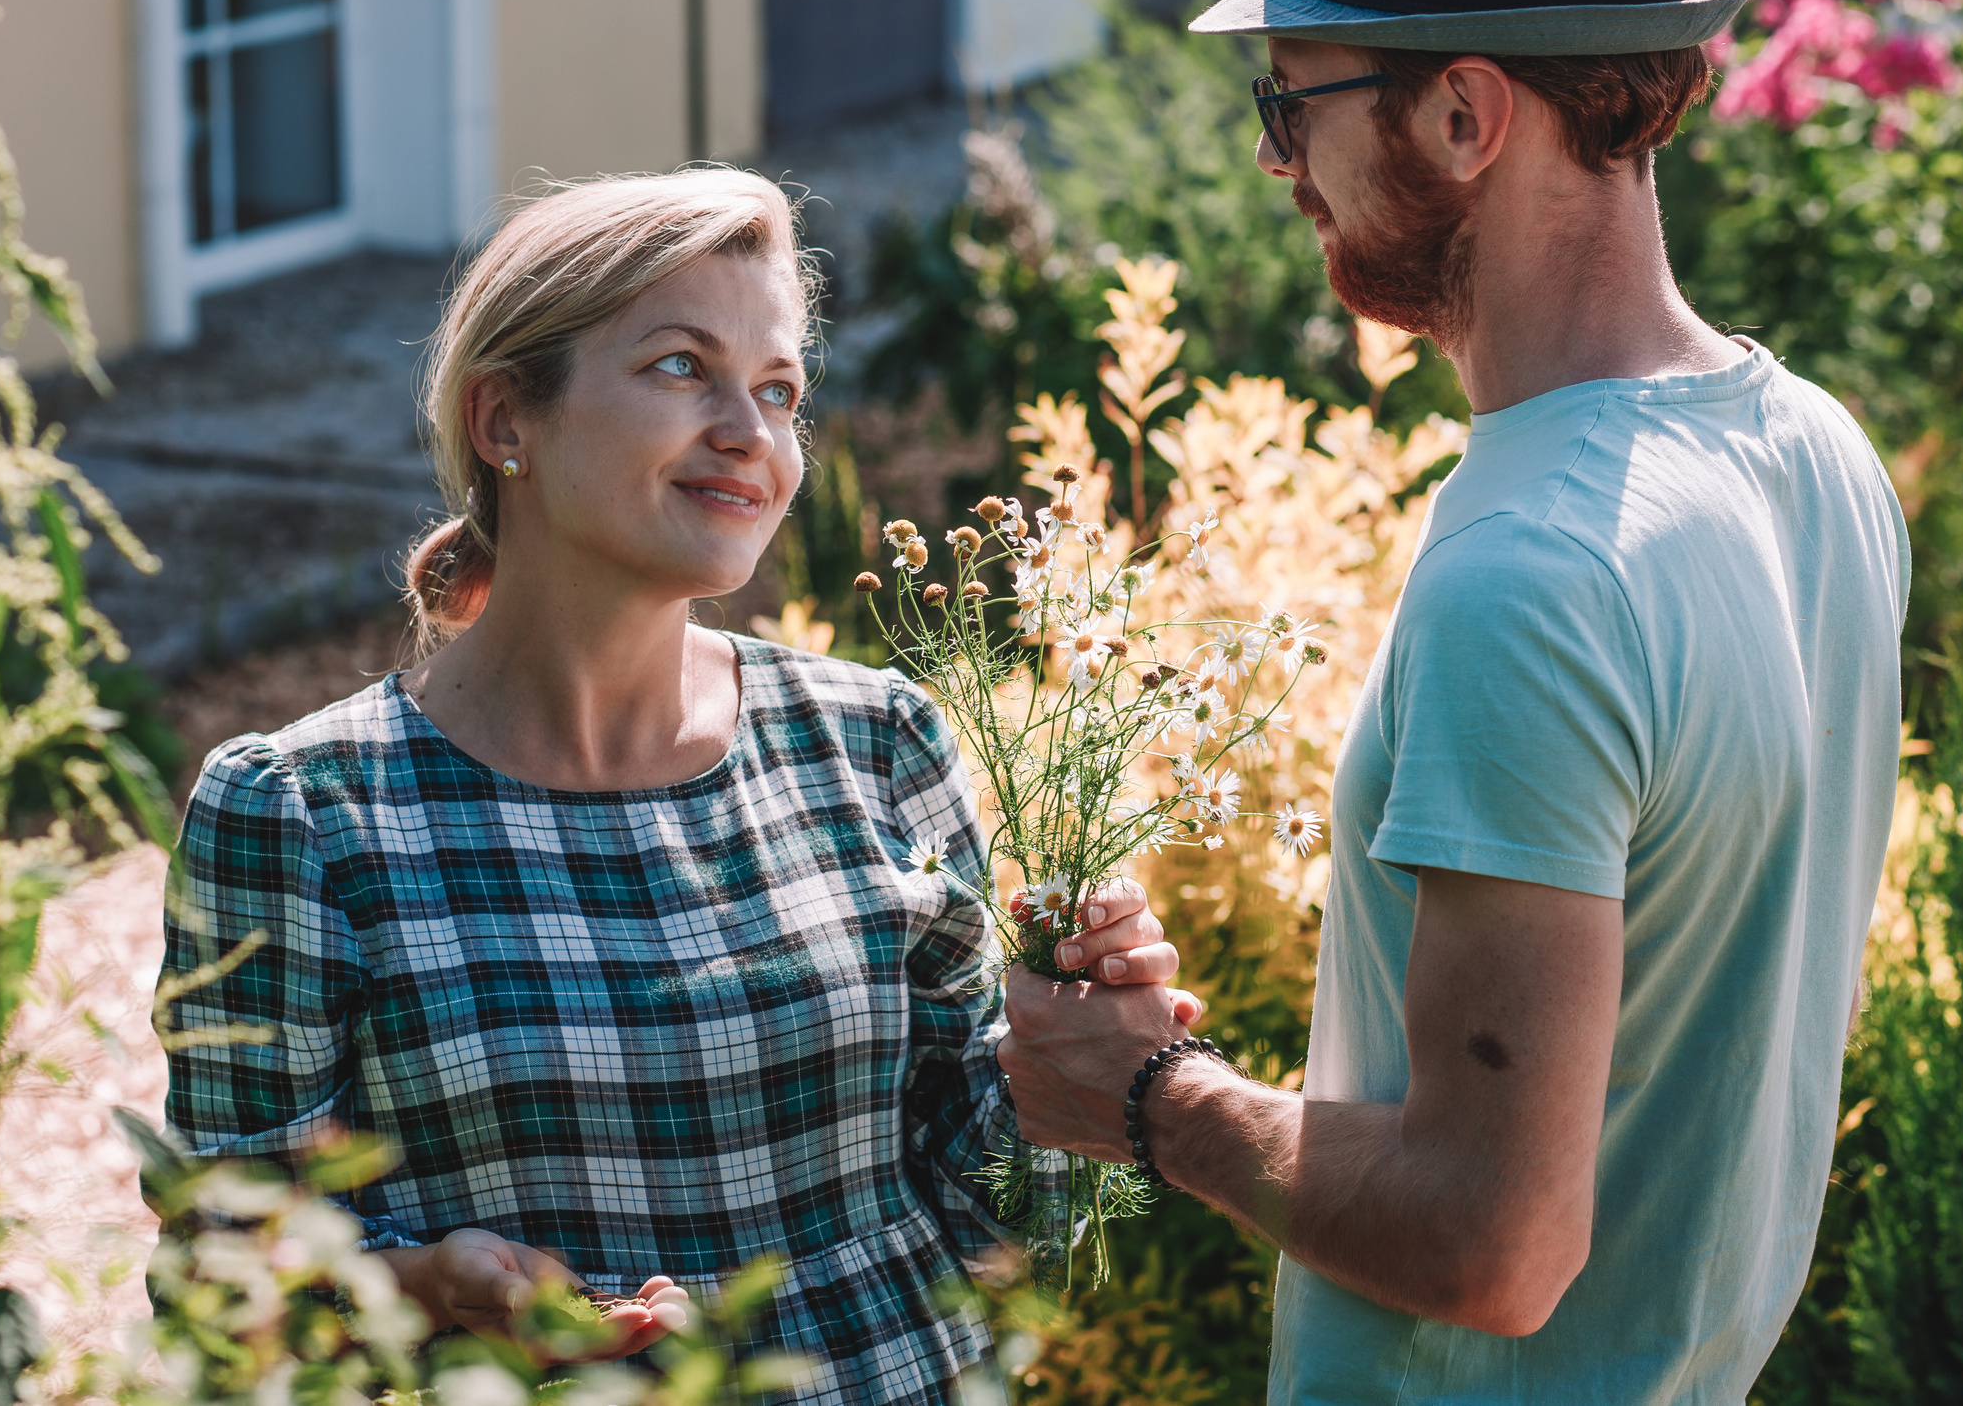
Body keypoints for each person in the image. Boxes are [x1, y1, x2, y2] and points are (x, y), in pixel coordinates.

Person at [996, 0, 1911, 1404]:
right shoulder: (1817, 455)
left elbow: (1493, 1242)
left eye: (1291, 99)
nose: (1279, 164)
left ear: (1466, 114)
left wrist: (1146, 1089)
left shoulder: (1533, 578)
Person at [160, 169, 1192, 1402]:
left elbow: (1002, 1212)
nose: (750, 434)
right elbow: (221, 1285)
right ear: (505, 421)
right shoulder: (302, 816)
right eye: (678, 369)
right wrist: (426, 1288)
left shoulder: (877, 743)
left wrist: (1087, 1049)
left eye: (777, 391)